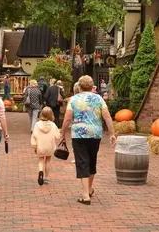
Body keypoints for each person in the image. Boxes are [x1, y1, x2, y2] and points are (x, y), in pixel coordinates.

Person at [61, 75, 116, 205]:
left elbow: (67, 119)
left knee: (82, 161)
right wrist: (112, 133)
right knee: (92, 160)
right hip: (95, 134)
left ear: (79, 87)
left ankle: (85, 195)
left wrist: (62, 133)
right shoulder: (99, 99)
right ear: (92, 87)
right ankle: (89, 189)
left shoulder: (74, 100)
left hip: (79, 134)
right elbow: (107, 117)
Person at [31, 107, 60, 186]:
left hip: (40, 146)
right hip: (50, 146)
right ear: (51, 115)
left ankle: (41, 171)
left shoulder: (37, 124)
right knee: (48, 161)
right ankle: (46, 178)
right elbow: (58, 136)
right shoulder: (53, 125)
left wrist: (34, 146)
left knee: (41, 160)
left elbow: (34, 136)